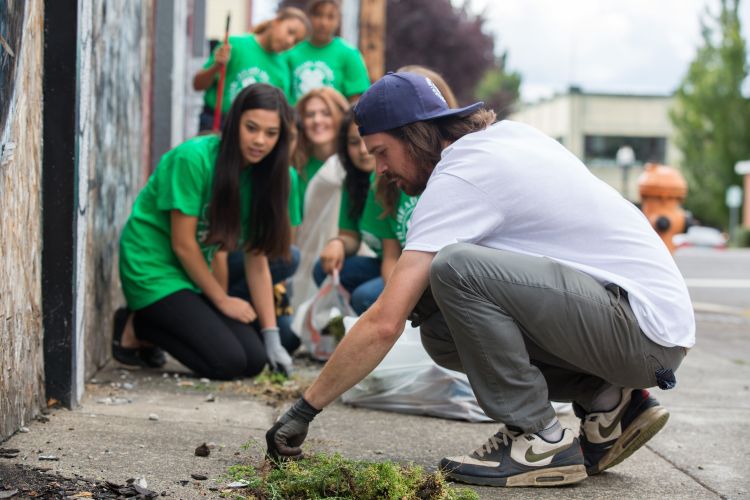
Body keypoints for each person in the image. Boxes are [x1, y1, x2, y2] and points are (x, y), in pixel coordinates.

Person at [265, 72, 695, 487]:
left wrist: (304, 409)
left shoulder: (459, 176)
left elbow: (383, 322)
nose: (379, 169)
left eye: (381, 152)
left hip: (639, 330)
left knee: (454, 269)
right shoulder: (508, 138)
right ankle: (608, 403)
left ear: (414, 135)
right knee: (438, 323)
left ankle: (540, 439)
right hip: (638, 325)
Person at [114, 83, 298, 379]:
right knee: (227, 362)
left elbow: (257, 261)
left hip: (194, 275)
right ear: (234, 121)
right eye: (251, 128)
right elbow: (183, 243)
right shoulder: (194, 158)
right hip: (153, 268)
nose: (259, 141)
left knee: (254, 360)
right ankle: (139, 325)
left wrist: (271, 335)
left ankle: (163, 320)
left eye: (271, 133)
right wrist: (222, 301)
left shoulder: (268, 177)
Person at [313, 110, 401, 314]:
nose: (363, 150)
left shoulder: (396, 179)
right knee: (324, 269)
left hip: (406, 265)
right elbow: (351, 236)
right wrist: (338, 243)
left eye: (368, 142)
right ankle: (341, 328)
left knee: (364, 296)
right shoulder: (352, 183)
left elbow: (395, 254)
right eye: (354, 142)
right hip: (385, 261)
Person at [193, 7, 309, 133]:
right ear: (276, 21)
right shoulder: (235, 45)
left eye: (296, 41)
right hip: (216, 123)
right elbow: (198, 84)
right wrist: (216, 66)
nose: (290, 41)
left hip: (253, 131)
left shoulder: (283, 69)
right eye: (290, 32)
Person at [286, 0, 370, 105]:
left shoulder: (349, 54)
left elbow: (357, 100)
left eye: (330, 17)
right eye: (318, 15)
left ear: (338, 20)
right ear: (308, 17)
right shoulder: (291, 53)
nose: (323, 23)